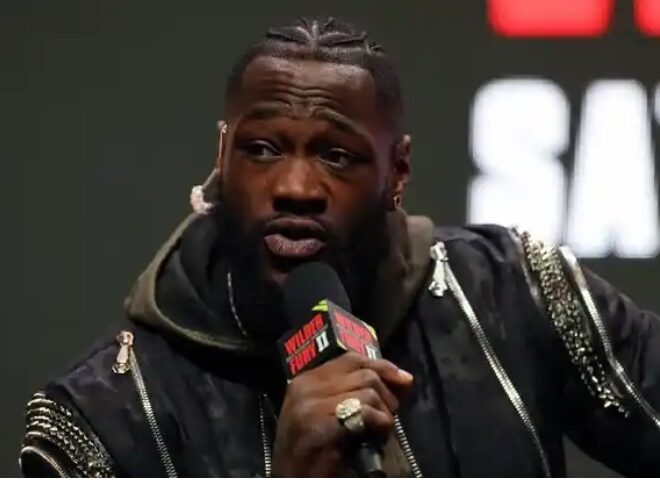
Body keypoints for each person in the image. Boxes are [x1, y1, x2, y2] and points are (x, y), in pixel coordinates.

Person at [19, 17, 660, 478]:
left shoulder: (513, 293)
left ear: (398, 172)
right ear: (222, 155)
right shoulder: (104, 418)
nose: (295, 188)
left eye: (336, 155)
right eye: (262, 149)